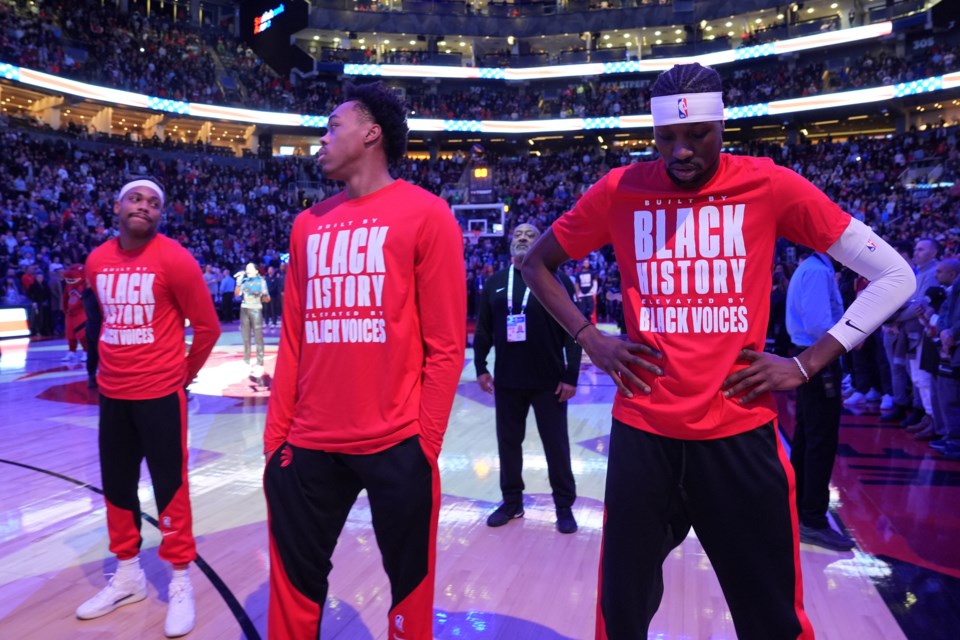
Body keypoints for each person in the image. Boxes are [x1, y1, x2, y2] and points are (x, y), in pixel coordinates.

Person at [521, 62, 915, 639]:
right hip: (643, 431)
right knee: (620, 617)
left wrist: (807, 362)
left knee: (773, 620)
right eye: (667, 138)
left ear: (722, 125)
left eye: (696, 135)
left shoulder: (769, 184)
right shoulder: (620, 190)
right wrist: (590, 339)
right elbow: (536, 264)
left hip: (738, 431)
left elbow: (894, 275)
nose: (680, 151)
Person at [262, 81, 466, 639]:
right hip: (306, 445)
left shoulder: (428, 215)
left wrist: (424, 443)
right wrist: (276, 438)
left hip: (397, 442)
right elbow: (293, 339)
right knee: (294, 591)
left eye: (333, 126)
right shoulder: (307, 224)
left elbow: (447, 345)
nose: (320, 140)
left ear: (371, 133)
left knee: (410, 592)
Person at [77, 177, 221, 638]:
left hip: (160, 395)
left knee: (169, 490)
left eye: (154, 203)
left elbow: (208, 326)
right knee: (117, 488)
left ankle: (180, 580)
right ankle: (128, 576)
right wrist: (99, 372)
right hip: (113, 395)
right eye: (136, 199)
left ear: (161, 215)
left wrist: (183, 375)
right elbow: (98, 323)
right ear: (117, 206)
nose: (144, 207)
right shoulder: (96, 260)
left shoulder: (174, 258)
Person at [473, 223, 582, 534]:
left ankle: (563, 506)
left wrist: (571, 375)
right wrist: (480, 367)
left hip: (550, 381)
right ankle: (511, 502)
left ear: (540, 243)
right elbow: (482, 330)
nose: (523, 238)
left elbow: (574, 332)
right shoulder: (494, 283)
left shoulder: (558, 280)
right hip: (507, 381)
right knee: (508, 444)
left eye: (530, 235)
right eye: (518, 235)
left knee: (556, 445)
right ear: (510, 244)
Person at [785, 248, 855, 551]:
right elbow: (818, 325)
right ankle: (811, 519)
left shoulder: (812, 268)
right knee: (820, 440)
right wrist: (851, 338)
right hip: (819, 357)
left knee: (807, 437)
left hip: (810, 357)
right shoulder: (817, 271)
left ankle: (799, 509)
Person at [234, 262, 269, 376]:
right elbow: (236, 294)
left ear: (256, 271)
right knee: (246, 337)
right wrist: (238, 282)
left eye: (250, 268)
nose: (247, 270)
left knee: (258, 337)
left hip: (256, 309)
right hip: (244, 309)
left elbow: (267, 299)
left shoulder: (261, 282)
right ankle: (246, 360)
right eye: (246, 268)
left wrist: (264, 295)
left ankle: (259, 362)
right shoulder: (244, 281)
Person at [61, 264, 88, 363]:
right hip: (70, 314)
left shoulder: (86, 284)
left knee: (82, 334)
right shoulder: (69, 285)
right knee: (70, 334)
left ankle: (86, 352)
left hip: (81, 313)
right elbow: (65, 297)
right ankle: (71, 351)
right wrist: (65, 309)